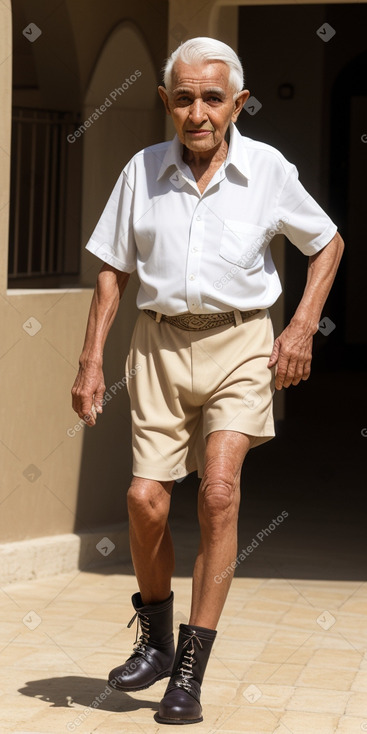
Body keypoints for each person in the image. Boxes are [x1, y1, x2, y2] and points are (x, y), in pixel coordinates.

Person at [71, 37, 344, 725]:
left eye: (212, 98)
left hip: (241, 344)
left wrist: (301, 326)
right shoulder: (141, 171)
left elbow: (327, 242)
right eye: (184, 97)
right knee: (144, 502)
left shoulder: (267, 170)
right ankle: (156, 637)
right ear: (167, 102)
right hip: (158, 347)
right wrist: (89, 359)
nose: (198, 111)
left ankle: (189, 670)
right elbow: (112, 267)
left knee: (219, 491)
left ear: (238, 104)